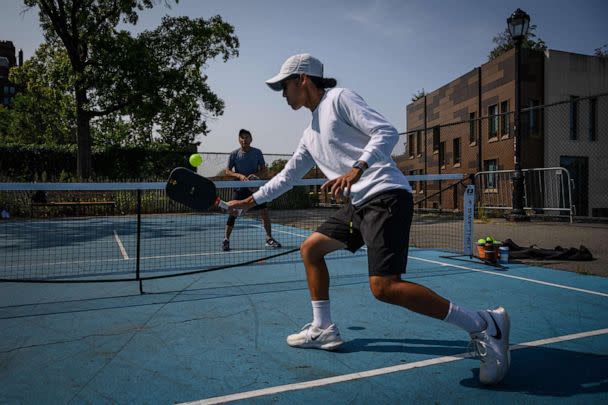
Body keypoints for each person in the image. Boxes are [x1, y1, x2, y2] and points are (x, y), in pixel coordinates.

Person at [228, 54, 511, 385]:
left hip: (385, 195)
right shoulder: (309, 134)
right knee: (311, 249)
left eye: (284, 85)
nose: (283, 93)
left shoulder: (340, 99)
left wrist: (357, 168)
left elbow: (386, 132)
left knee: (384, 287)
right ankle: (323, 328)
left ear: (303, 79)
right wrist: (251, 200)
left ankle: (484, 324)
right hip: (359, 204)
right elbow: (287, 177)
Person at [223, 128, 282, 252]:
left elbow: (264, 169)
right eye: (242, 137)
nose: (244, 140)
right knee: (233, 213)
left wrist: (255, 176)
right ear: (239, 140)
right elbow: (227, 171)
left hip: (255, 188)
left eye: (247, 137)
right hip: (240, 188)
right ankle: (226, 240)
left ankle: (269, 239)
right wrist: (239, 175)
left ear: (251, 139)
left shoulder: (257, 152)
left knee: (264, 213)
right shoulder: (234, 154)